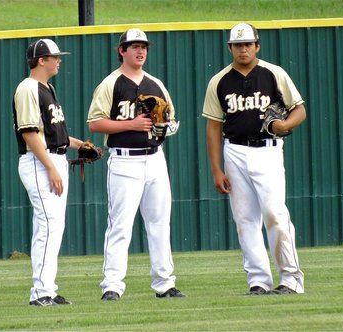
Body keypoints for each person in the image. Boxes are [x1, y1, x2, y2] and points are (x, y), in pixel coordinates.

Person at [202, 23, 306, 295]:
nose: (243, 49)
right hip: (234, 150)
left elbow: (299, 110)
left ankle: (291, 279)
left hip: (269, 149)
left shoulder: (274, 74)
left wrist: (283, 126)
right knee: (245, 219)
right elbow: (213, 127)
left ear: (257, 45)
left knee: (274, 213)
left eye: (248, 43)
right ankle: (258, 280)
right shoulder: (219, 81)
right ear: (230, 48)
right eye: (238, 45)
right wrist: (216, 170)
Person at [87, 28, 184, 301]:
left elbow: (171, 120)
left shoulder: (156, 84)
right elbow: (94, 123)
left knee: (160, 223)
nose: (140, 51)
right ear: (122, 51)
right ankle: (112, 286)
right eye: (134, 46)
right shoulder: (111, 83)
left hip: (154, 159)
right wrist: (131, 124)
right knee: (120, 225)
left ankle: (165, 283)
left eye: (144, 47)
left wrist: (165, 127)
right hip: (124, 159)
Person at [13, 39, 89, 306]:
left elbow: (56, 133)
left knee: (54, 227)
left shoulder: (48, 88)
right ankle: (41, 293)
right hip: (38, 162)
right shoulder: (28, 88)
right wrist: (50, 168)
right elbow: (30, 133)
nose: (59, 60)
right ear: (41, 60)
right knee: (47, 226)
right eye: (54, 57)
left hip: (54, 159)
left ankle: (48, 289)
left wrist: (81, 145)